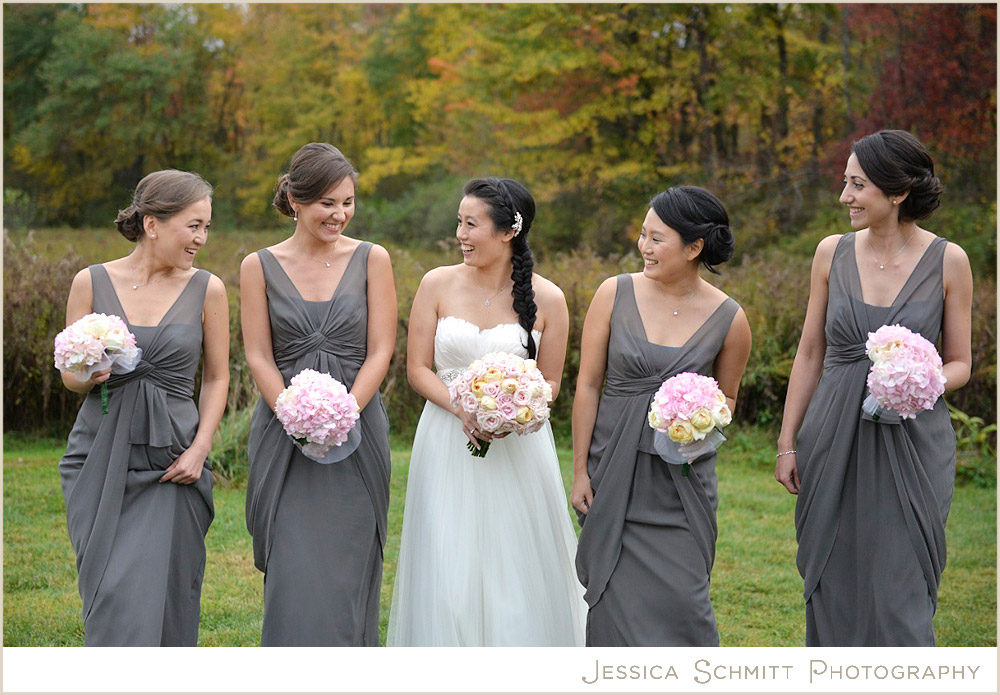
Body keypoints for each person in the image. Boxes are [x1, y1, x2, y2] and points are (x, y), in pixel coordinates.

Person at [775, 129, 972, 646]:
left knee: (900, 591)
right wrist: (787, 441)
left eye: (857, 185)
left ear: (897, 192)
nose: (845, 197)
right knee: (833, 579)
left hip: (913, 441)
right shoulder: (830, 253)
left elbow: (960, 363)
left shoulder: (950, 261)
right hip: (831, 435)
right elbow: (810, 353)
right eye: (845, 183)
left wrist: (920, 381)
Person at [387, 177, 586, 646]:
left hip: (518, 447)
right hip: (444, 438)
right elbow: (417, 368)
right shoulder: (436, 283)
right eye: (459, 222)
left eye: (471, 224)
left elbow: (551, 382)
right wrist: (466, 409)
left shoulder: (550, 299)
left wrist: (513, 410)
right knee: (447, 555)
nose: (460, 233)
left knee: (514, 560)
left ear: (507, 231)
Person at [572, 186, 751, 646]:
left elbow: (727, 401)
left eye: (657, 239)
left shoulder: (730, 318)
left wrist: (697, 417)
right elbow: (588, 385)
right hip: (613, 474)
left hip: (681, 486)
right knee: (612, 606)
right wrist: (579, 472)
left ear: (694, 247)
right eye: (643, 235)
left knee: (686, 609)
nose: (643, 247)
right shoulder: (614, 292)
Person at [58, 170, 229, 646]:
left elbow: (217, 377)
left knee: (168, 596)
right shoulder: (89, 281)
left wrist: (200, 449)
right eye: (193, 225)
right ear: (152, 224)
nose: (202, 238)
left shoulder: (208, 289)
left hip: (173, 463)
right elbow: (69, 376)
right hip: (99, 456)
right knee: (111, 592)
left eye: (207, 227)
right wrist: (85, 374)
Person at [242, 142, 395, 646]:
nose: (341, 214)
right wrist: (291, 411)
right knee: (293, 564)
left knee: (350, 560)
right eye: (328, 203)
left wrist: (345, 410)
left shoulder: (373, 259)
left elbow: (381, 349)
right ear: (296, 201)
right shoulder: (257, 266)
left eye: (348, 202)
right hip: (283, 430)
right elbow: (260, 355)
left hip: (357, 428)